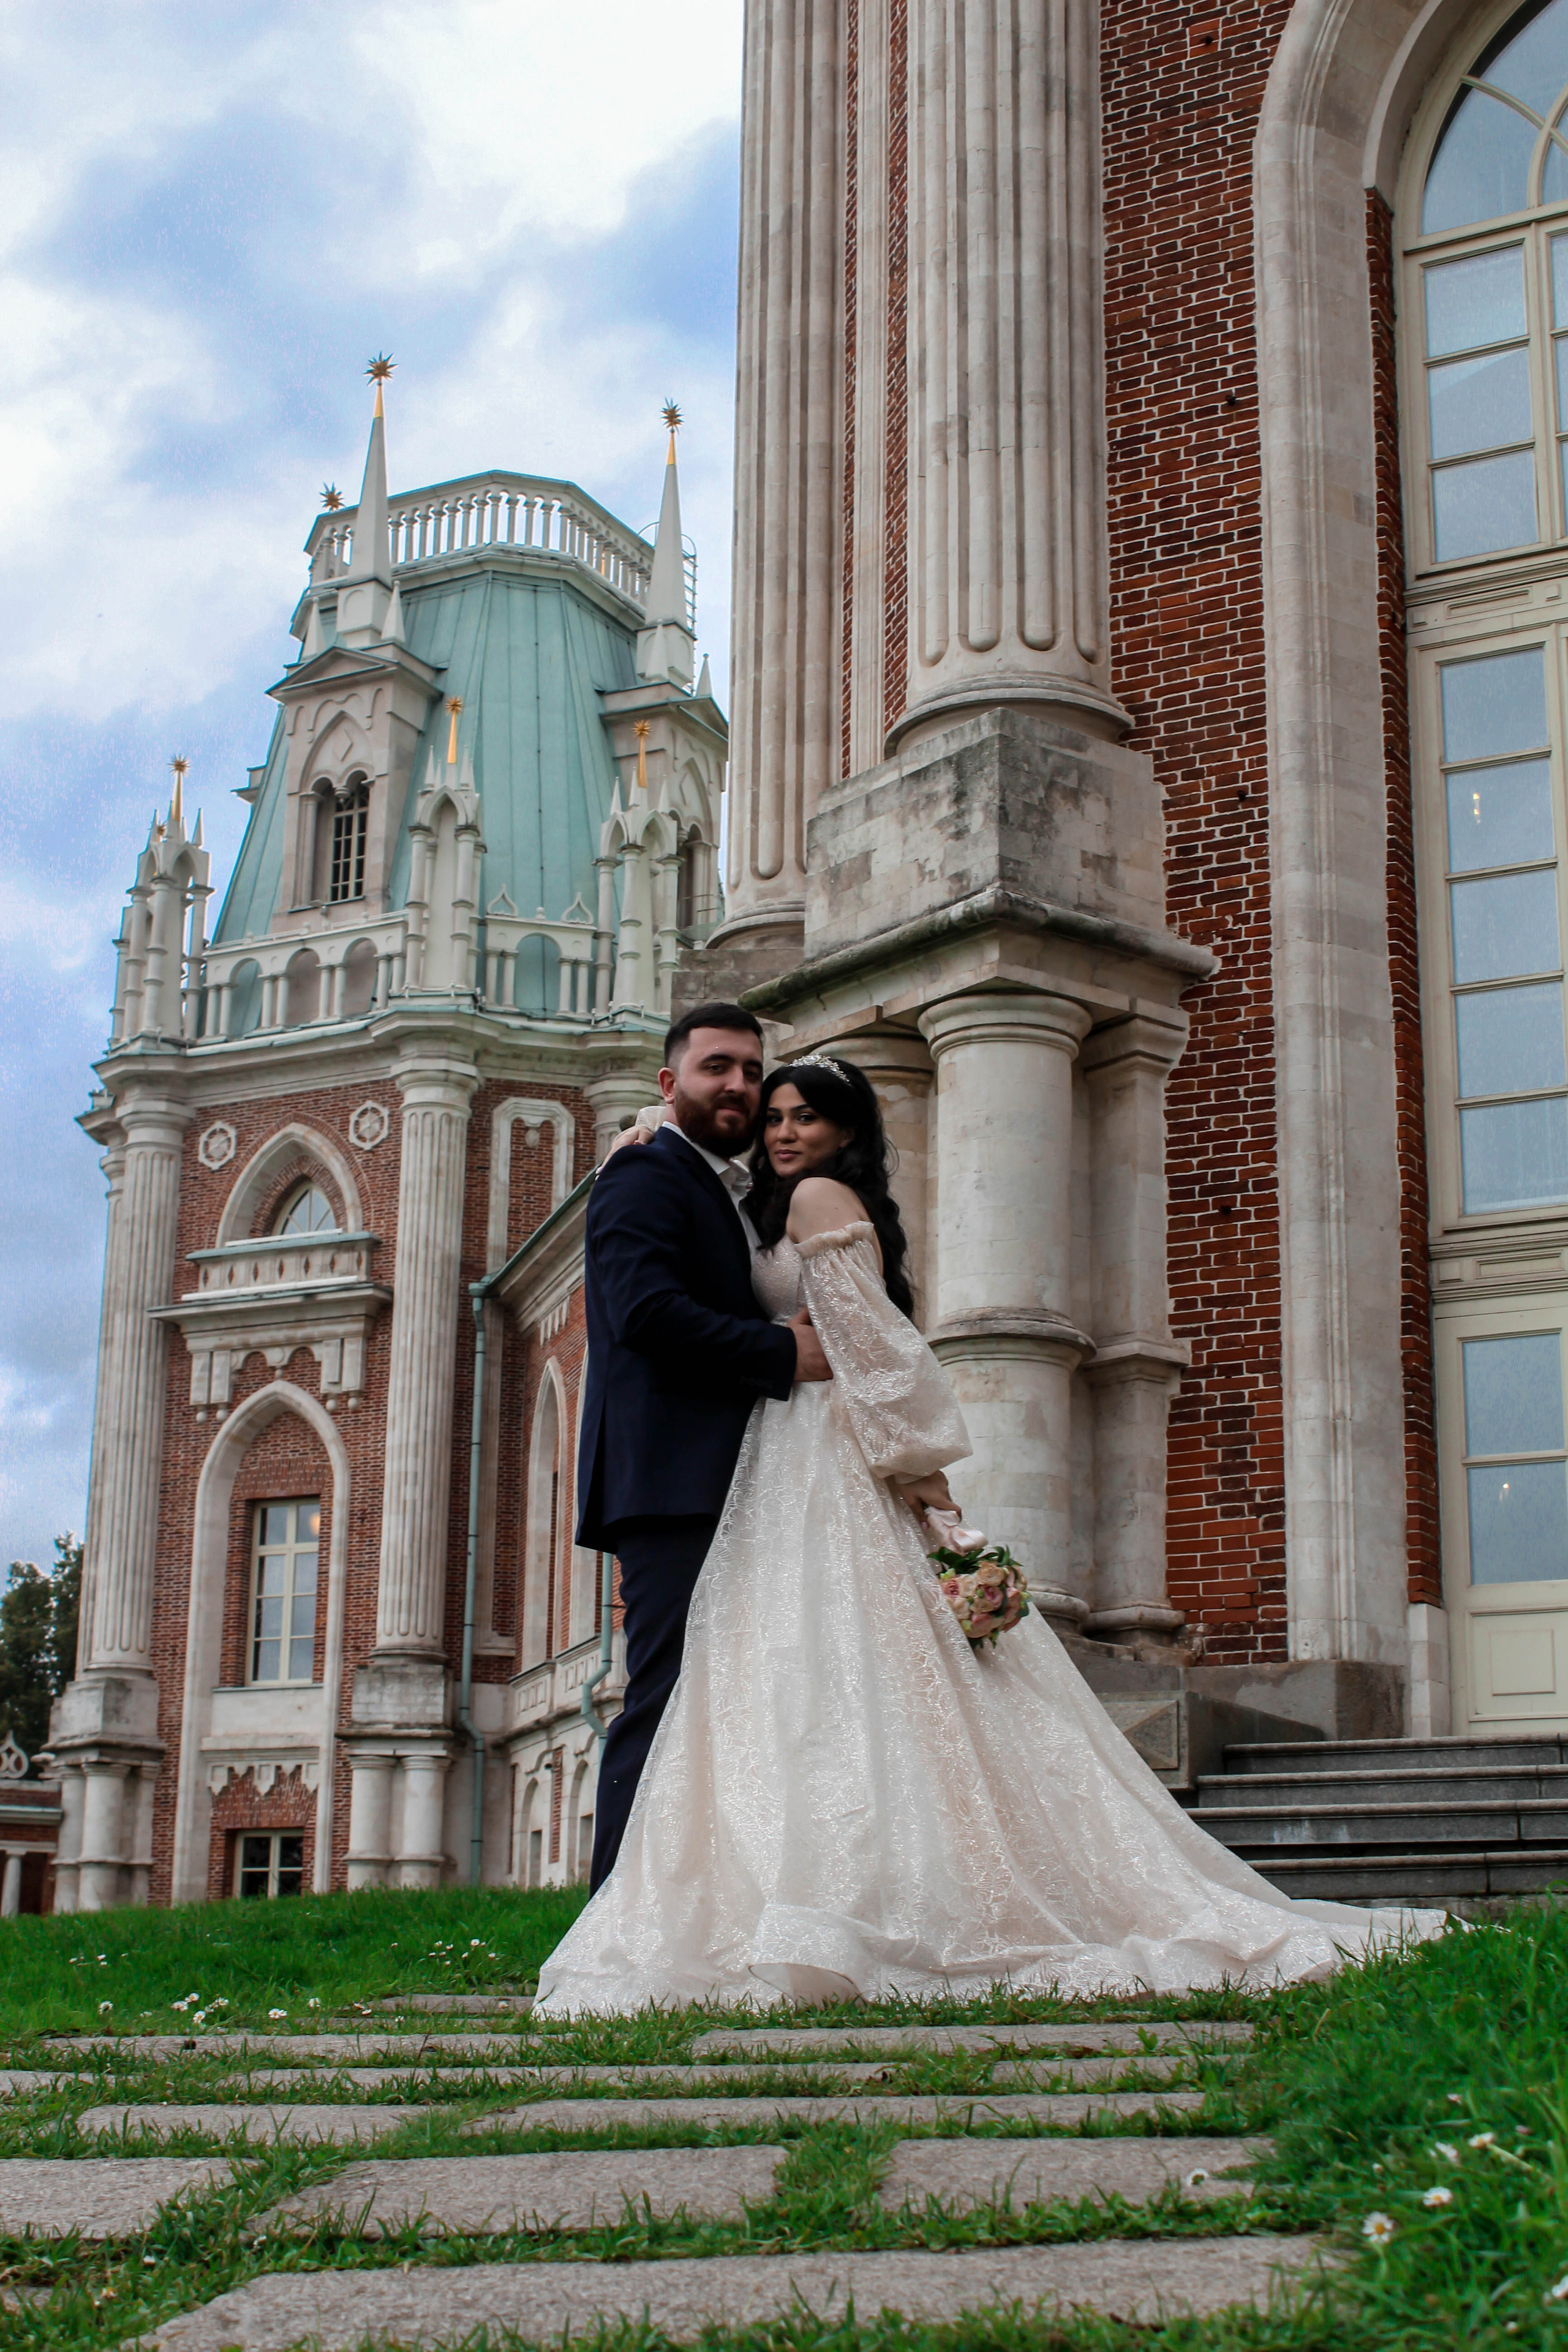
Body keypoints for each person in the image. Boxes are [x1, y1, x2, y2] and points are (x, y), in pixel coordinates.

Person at [538, 1050, 1446, 2012]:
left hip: (820, 1453)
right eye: (776, 1116)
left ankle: (852, 1894)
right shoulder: (779, 1196)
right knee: (815, 1672)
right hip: (782, 1454)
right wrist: (646, 1120)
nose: (783, 1131)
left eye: (806, 1117)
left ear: (849, 1132)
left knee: (831, 1668)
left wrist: (918, 1469)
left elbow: (877, 1353)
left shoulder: (813, 1204)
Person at [575, 1003, 832, 1893]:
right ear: (667, 1082)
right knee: (666, 1694)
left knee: (722, 1697)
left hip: (729, 1477)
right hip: (670, 1483)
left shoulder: (724, 1180)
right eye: (717, 1066)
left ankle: (697, 1904)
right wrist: (781, 1354)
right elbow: (644, 1312)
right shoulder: (645, 1175)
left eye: (753, 1071)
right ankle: (612, 1914)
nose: (739, 1085)